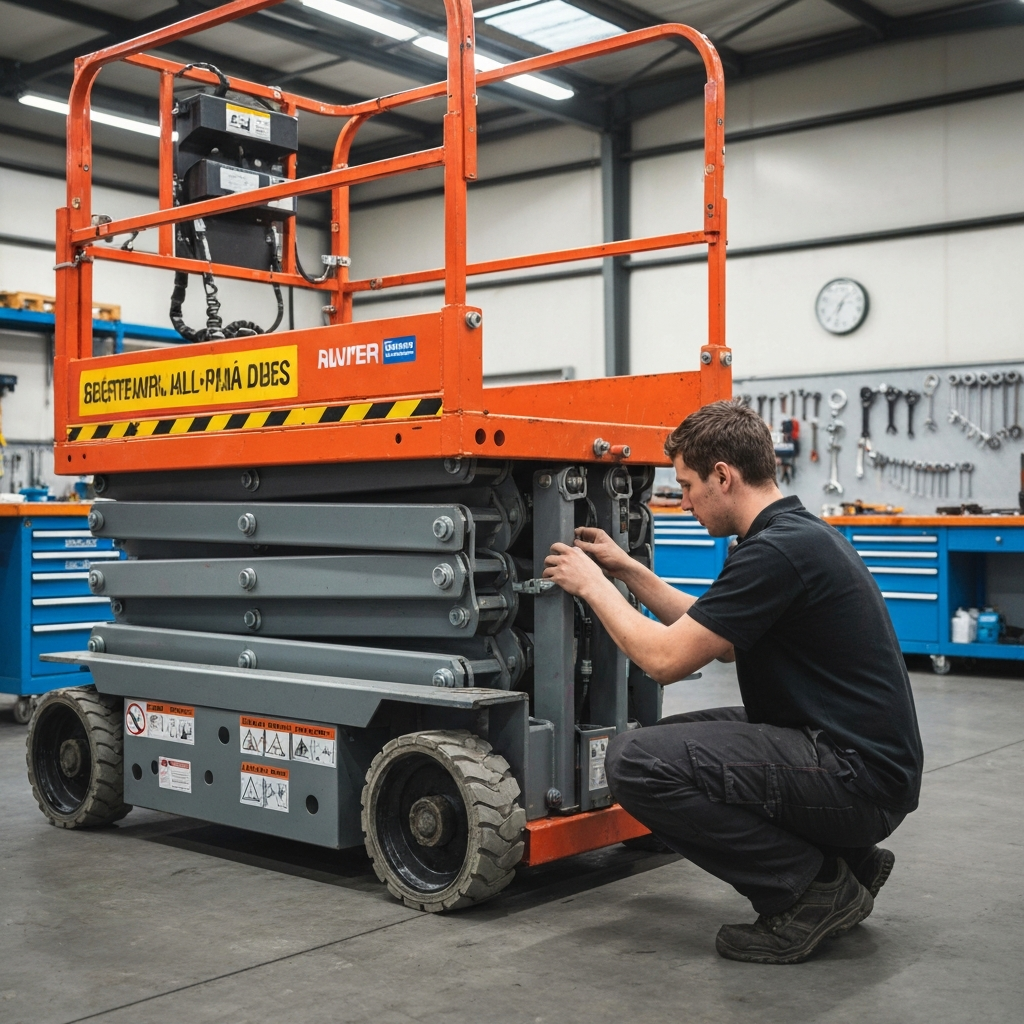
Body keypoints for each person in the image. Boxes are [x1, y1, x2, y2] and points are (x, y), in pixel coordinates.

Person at [542, 399, 923, 965]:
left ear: (724, 475)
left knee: (636, 762)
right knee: (675, 742)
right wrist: (626, 570)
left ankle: (810, 888)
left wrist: (592, 587)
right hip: (859, 764)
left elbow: (667, 660)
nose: (685, 500)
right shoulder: (790, 534)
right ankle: (849, 862)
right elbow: (714, 636)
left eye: (690, 485)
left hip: (855, 776)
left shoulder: (777, 551)